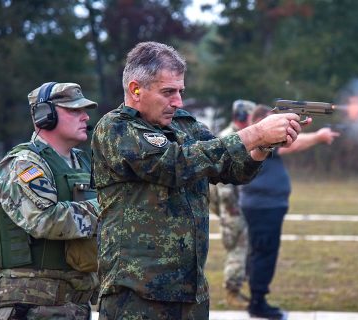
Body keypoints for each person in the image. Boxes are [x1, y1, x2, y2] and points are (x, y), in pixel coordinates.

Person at [91, 41, 305, 320]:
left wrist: (264, 146)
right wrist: (254, 133)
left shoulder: (183, 124)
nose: (178, 101)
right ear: (135, 89)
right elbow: (174, 164)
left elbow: (230, 168)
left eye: (180, 91)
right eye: (168, 92)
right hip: (135, 293)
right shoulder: (115, 128)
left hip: (189, 291)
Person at [0, 82, 101, 319]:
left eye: (84, 110)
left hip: (75, 305)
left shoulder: (83, 162)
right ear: (44, 116)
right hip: (33, 307)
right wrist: (108, 210)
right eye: (74, 110)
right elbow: (45, 219)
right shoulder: (23, 164)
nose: (85, 117)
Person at [240, 104, 340, 319]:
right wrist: (319, 137)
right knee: (264, 253)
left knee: (260, 252)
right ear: (260, 122)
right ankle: (258, 302)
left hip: (266, 205)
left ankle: (256, 298)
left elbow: (289, 143)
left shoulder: (263, 143)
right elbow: (292, 146)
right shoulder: (260, 140)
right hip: (263, 206)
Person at [210, 100, 256, 308]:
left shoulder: (239, 134)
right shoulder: (231, 137)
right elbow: (223, 180)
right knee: (237, 247)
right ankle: (231, 292)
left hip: (236, 203)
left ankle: (235, 289)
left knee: (242, 246)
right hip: (232, 205)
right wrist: (231, 208)